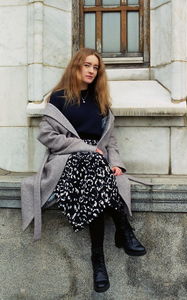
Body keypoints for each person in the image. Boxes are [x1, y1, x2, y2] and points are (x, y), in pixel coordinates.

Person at [21, 48, 146, 293]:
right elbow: (48, 136)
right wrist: (83, 147)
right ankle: (124, 230)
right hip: (68, 160)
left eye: (95, 67)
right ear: (76, 67)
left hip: (98, 163)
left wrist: (116, 164)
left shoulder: (100, 101)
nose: (91, 70)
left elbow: (110, 141)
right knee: (92, 167)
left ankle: (98, 260)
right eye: (86, 65)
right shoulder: (58, 98)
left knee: (95, 179)